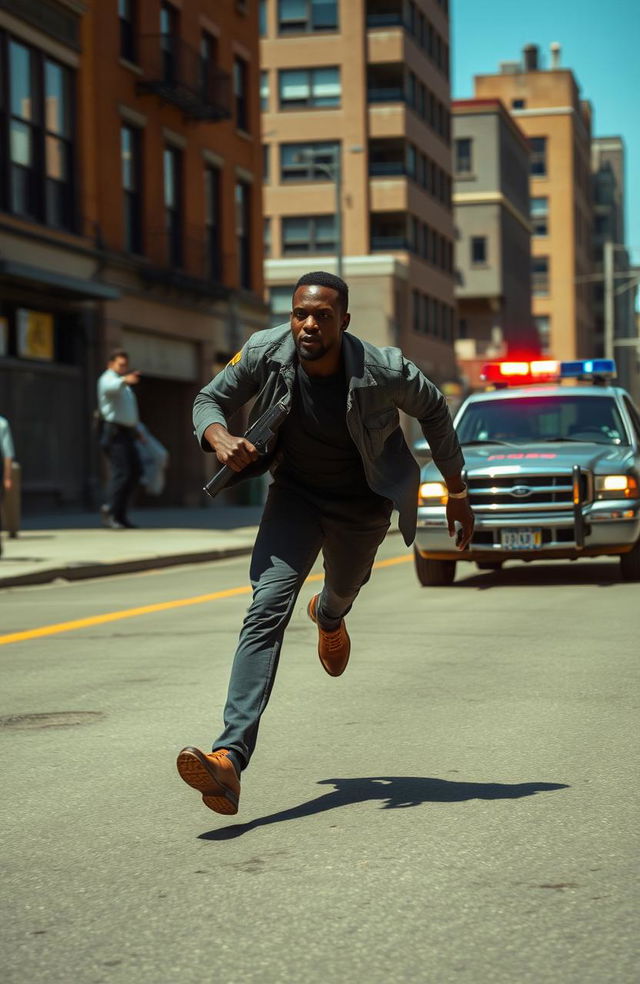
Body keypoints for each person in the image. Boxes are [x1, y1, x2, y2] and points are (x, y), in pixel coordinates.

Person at [177, 272, 474, 816]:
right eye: (300, 314)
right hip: (295, 495)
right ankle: (228, 759)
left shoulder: (386, 369)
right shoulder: (266, 350)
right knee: (265, 609)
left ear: (344, 320)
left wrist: (456, 489)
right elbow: (208, 399)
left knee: (342, 588)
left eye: (322, 315)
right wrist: (218, 437)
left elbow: (433, 409)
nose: (309, 324)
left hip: (364, 501)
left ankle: (331, 616)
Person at [97, 349, 143, 529]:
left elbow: (128, 412)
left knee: (135, 472)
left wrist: (138, 431)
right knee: (121, 473)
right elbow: (109, 387)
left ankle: (121, 515)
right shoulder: (108, 379)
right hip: (114, 433)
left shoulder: (124, 386)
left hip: (127, 433)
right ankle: (110, 511)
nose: (124, 369)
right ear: (111, 364)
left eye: (126, 365)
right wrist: (125, 380)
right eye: (121, 365)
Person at [0, 414, 15, 557]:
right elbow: (8, 454)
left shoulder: (2, 424)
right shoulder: (2, 423)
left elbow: (7, 453)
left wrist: (7, 477)